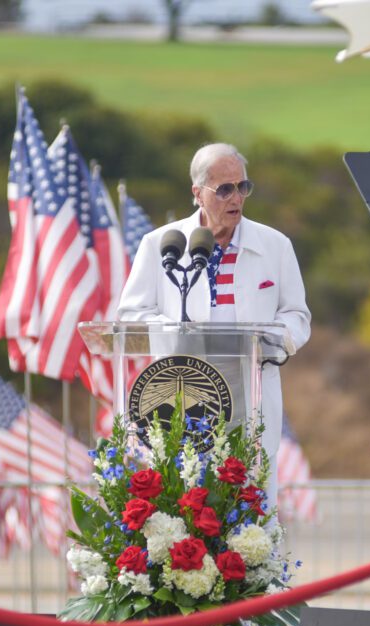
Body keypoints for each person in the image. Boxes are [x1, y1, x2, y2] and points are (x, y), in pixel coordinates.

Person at [117, 142, 311, 507]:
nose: (235, 197)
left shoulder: (275, 246)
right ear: (197, 194)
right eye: (224, 189)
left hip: (250, 393)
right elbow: (129, 316)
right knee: (186, 501)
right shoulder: (160, 244)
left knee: (248, 499)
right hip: (181, 394)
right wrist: (174, 331)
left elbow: (297, 316)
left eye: (242, 187)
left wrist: (273, 338)